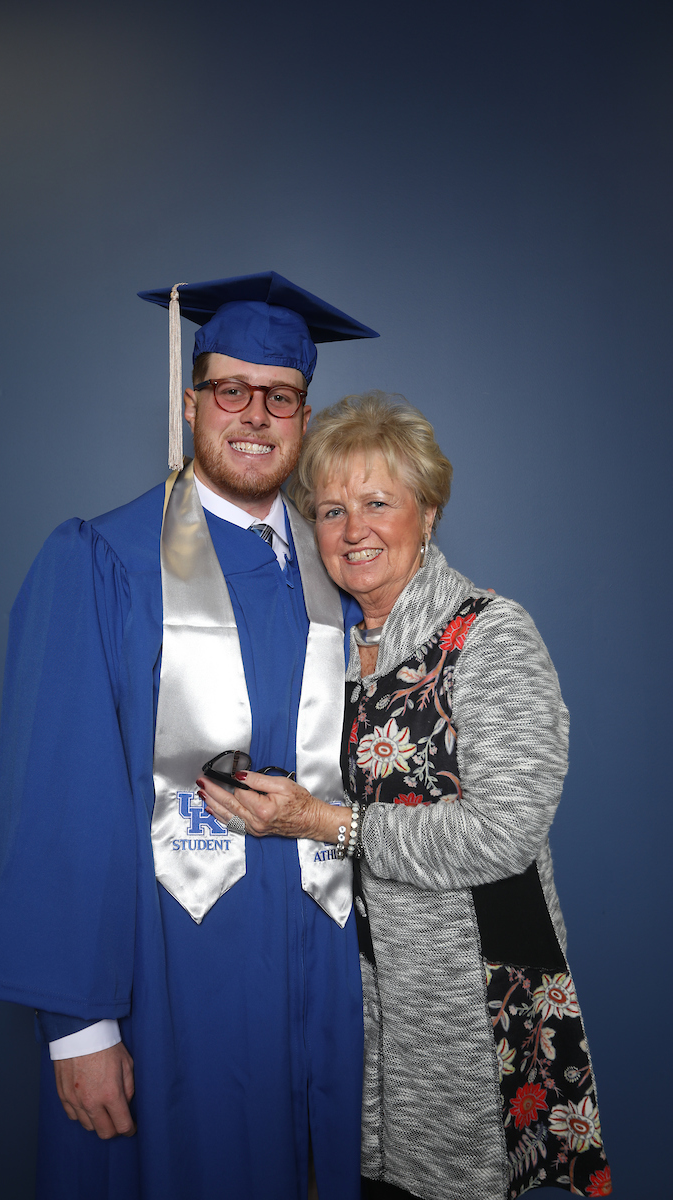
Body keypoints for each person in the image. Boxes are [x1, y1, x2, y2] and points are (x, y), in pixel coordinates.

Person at [0, 273, 380, 1200]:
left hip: (316, 983)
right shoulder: (103, 562)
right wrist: (79, 1027)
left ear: (304, 416)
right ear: (190, 401)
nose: (253, 414)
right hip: (165, 980)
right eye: (229, 390)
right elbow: (59, 799)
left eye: (278, 396)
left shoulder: (341, 578)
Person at [200, 393, 611, 1200]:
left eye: (378, 503)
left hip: (463, 992)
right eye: (330, 510)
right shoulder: (322, 650)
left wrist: (326, 823)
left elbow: (504, 833)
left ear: (427, 515)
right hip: (346, 989)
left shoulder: (489, 634)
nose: (354, 530)